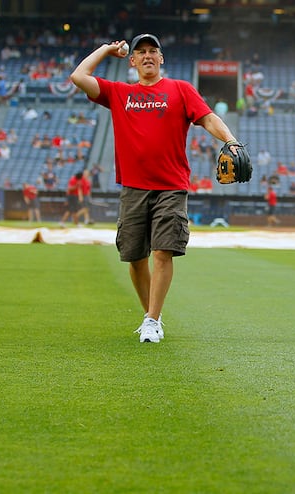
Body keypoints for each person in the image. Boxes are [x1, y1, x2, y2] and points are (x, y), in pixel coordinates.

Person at [70, 33, 244, 343]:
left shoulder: (180, 89)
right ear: (133, 61)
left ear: (161, 59)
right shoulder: (119, 93)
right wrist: (107, 50)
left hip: (170, 186)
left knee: (163, 252)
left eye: (153, 51)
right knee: (135, 258)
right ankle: (154, 315)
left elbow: (207, 118)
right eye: (141, 52)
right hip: (133, 188)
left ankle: (150, 320)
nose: (148, 55)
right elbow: (78, 76)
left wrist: (230, 139)